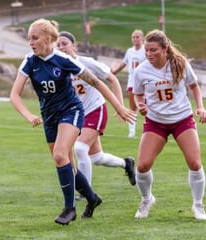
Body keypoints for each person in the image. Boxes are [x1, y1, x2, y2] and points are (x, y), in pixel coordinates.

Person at [10, 18, 136, 225]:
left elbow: (97, 82)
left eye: (35, 38)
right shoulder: (29, 61)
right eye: (29, 38)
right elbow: (14, 95)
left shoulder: (63, 60)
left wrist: (119, 107)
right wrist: (29, 115)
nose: (31, 42)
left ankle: (69, 209)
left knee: (61, 155)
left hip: (71, 111)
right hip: (49, 117)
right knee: (66, 164)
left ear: (49, 39)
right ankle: (92, 197)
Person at [133, 29, 206, 220]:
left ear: (165, 49)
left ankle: (198, 205)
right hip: (156, 122)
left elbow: (194, 86)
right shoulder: (141, 70)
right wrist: (141, 104)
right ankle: (147, 199)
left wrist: (200, 107)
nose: (149, 54)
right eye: (147, 50)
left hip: (182, 119)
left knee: (195, 162)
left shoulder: (179, 64)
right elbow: (137, 92)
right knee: (142, 165)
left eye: (153, 50)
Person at [56, 31, 136, 199]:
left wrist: (119, 107)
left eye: (64, 43)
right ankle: (126, 163)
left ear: (74, 46)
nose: (61, 47)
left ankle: (86, 192)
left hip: (95, 110)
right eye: (58, 45)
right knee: (96, 157)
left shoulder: (86, 63)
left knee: (79, 148)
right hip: (76, 114)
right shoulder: (59, 68)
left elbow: (112, 79)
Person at [111, 29, 146, 138]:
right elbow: (124, 63)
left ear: (142, 38)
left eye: (137, 37)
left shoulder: (145, 50)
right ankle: (132, 132)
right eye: (133, 37)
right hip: (132, 80)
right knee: (132, 106)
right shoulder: (130, 51)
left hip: (144, 80)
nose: (135, 39)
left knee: (146, 105)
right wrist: (114, 71)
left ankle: (148, 129)